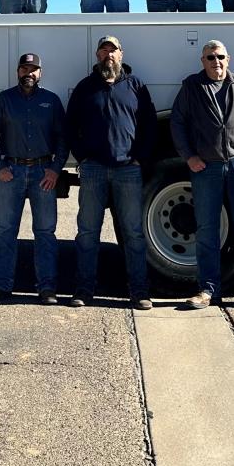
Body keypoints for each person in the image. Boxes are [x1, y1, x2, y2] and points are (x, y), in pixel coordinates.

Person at [170, 40, 234, 311]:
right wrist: (189, 156)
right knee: (206, 230)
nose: (215, 62)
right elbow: (178, 122)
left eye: (220, 57)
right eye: (210, 57)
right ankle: (207, 290)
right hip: (207, 168)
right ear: (202, 61)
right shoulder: (192, 86)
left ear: (228, 59)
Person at [66, 35, 155, 310]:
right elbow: (70, 126)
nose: (108, 55)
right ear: (97, 55)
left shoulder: (136, 86)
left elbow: (150, 125)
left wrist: (139, 158)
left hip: (128, 170)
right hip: (93, 170)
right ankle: (84, 290)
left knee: (133, 233)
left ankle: (139, 292)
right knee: (87, 233)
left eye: (113, 50)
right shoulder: (85, 87)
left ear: (121, 54)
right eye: (104, 50)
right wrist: (83, 157)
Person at [0, 52, 68, 304]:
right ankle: (2, 286)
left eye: (33, 69)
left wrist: (55, 169)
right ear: (18, 72)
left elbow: (63, 139)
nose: (28, 73)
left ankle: (47, 289)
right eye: (24, 68)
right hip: (12, 173)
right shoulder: (5, 100)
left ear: (40, 73)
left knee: (45, 233)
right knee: (6, 231)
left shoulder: (51, 101)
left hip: (44, 173)